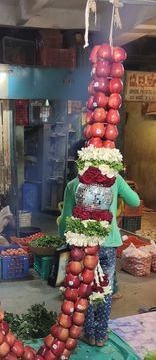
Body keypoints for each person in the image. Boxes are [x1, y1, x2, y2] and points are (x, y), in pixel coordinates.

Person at [58, 148, 140, 347]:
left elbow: (66, 220)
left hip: (83, 244)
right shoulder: (114, 180)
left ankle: (88, 331)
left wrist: (63, 236)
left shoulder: (73, 184)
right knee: (105, 288)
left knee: (83, 288)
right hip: (108, 244)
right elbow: (135, 202)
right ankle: (101, 335)